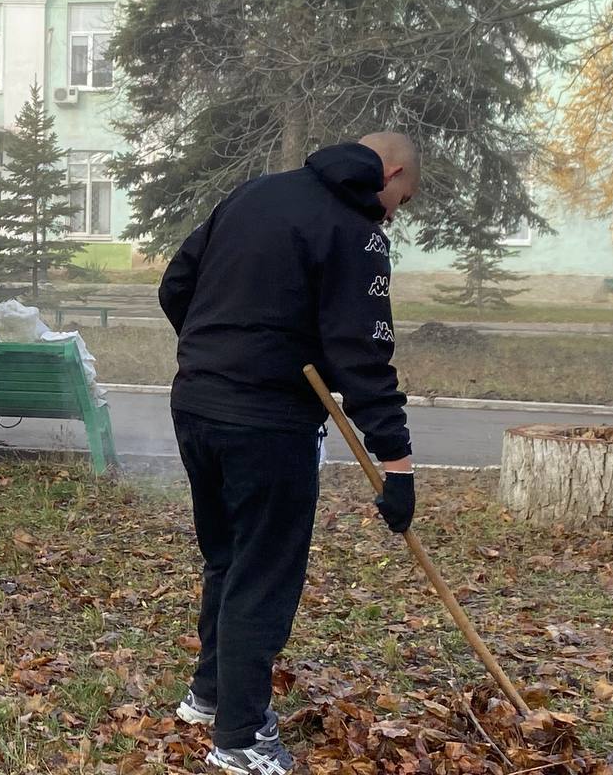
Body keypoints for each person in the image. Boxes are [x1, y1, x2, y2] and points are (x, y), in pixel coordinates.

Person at [158, 131, 420, 775]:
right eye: (399, 201)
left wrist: (215, 350)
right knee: (263, 573)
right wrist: (397, 464)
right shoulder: (356, 232)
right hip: (267, 423)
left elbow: (175, 284)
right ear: (387, 172)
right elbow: (364, 355)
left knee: (227, 557)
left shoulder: (253, 193)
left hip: (195, 403)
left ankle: (211, 693)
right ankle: (240, 737)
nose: (392, 215)